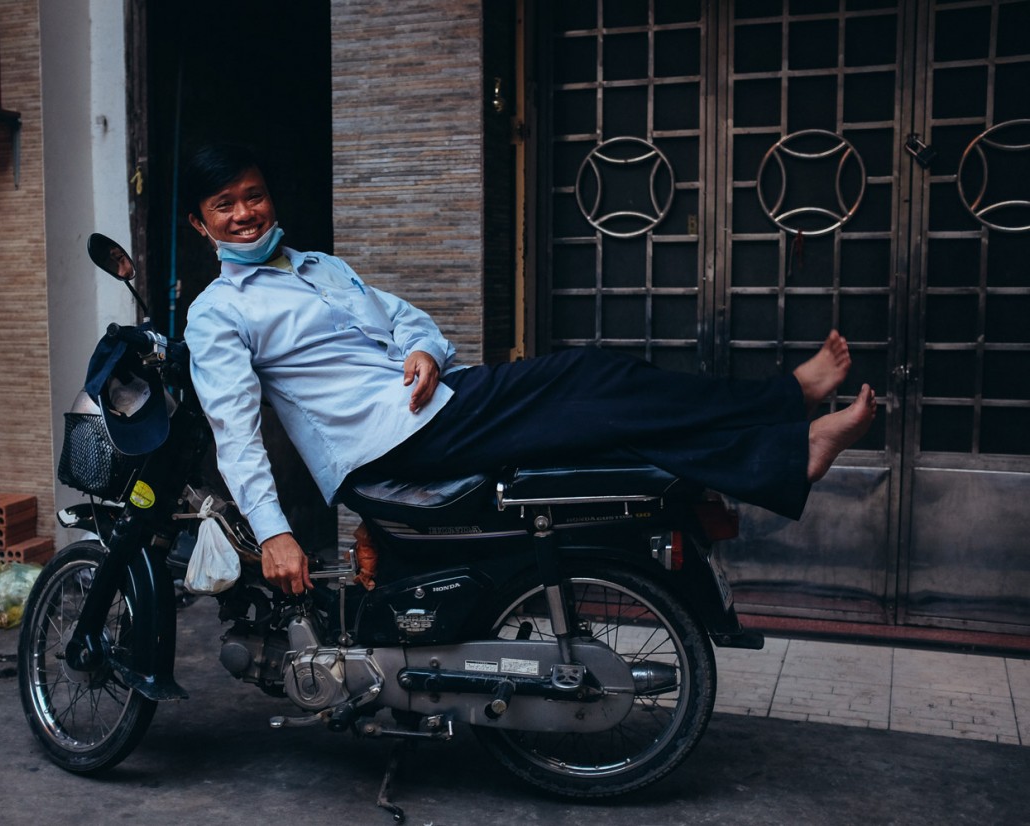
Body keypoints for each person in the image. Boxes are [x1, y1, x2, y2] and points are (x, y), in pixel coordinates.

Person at [183, 144, 877, 596]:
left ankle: (785, 452)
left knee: (604, 422)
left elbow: (409, 321)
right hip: (385, 442)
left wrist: (424, 352)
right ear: (200, 224)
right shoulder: (218, 313)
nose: (246, 213)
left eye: (254, 195)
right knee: (595, 378)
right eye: (225, 205)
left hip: (436, 405)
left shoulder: (320, 266)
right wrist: (273, 531)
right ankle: (785, 403)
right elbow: (233, 430)